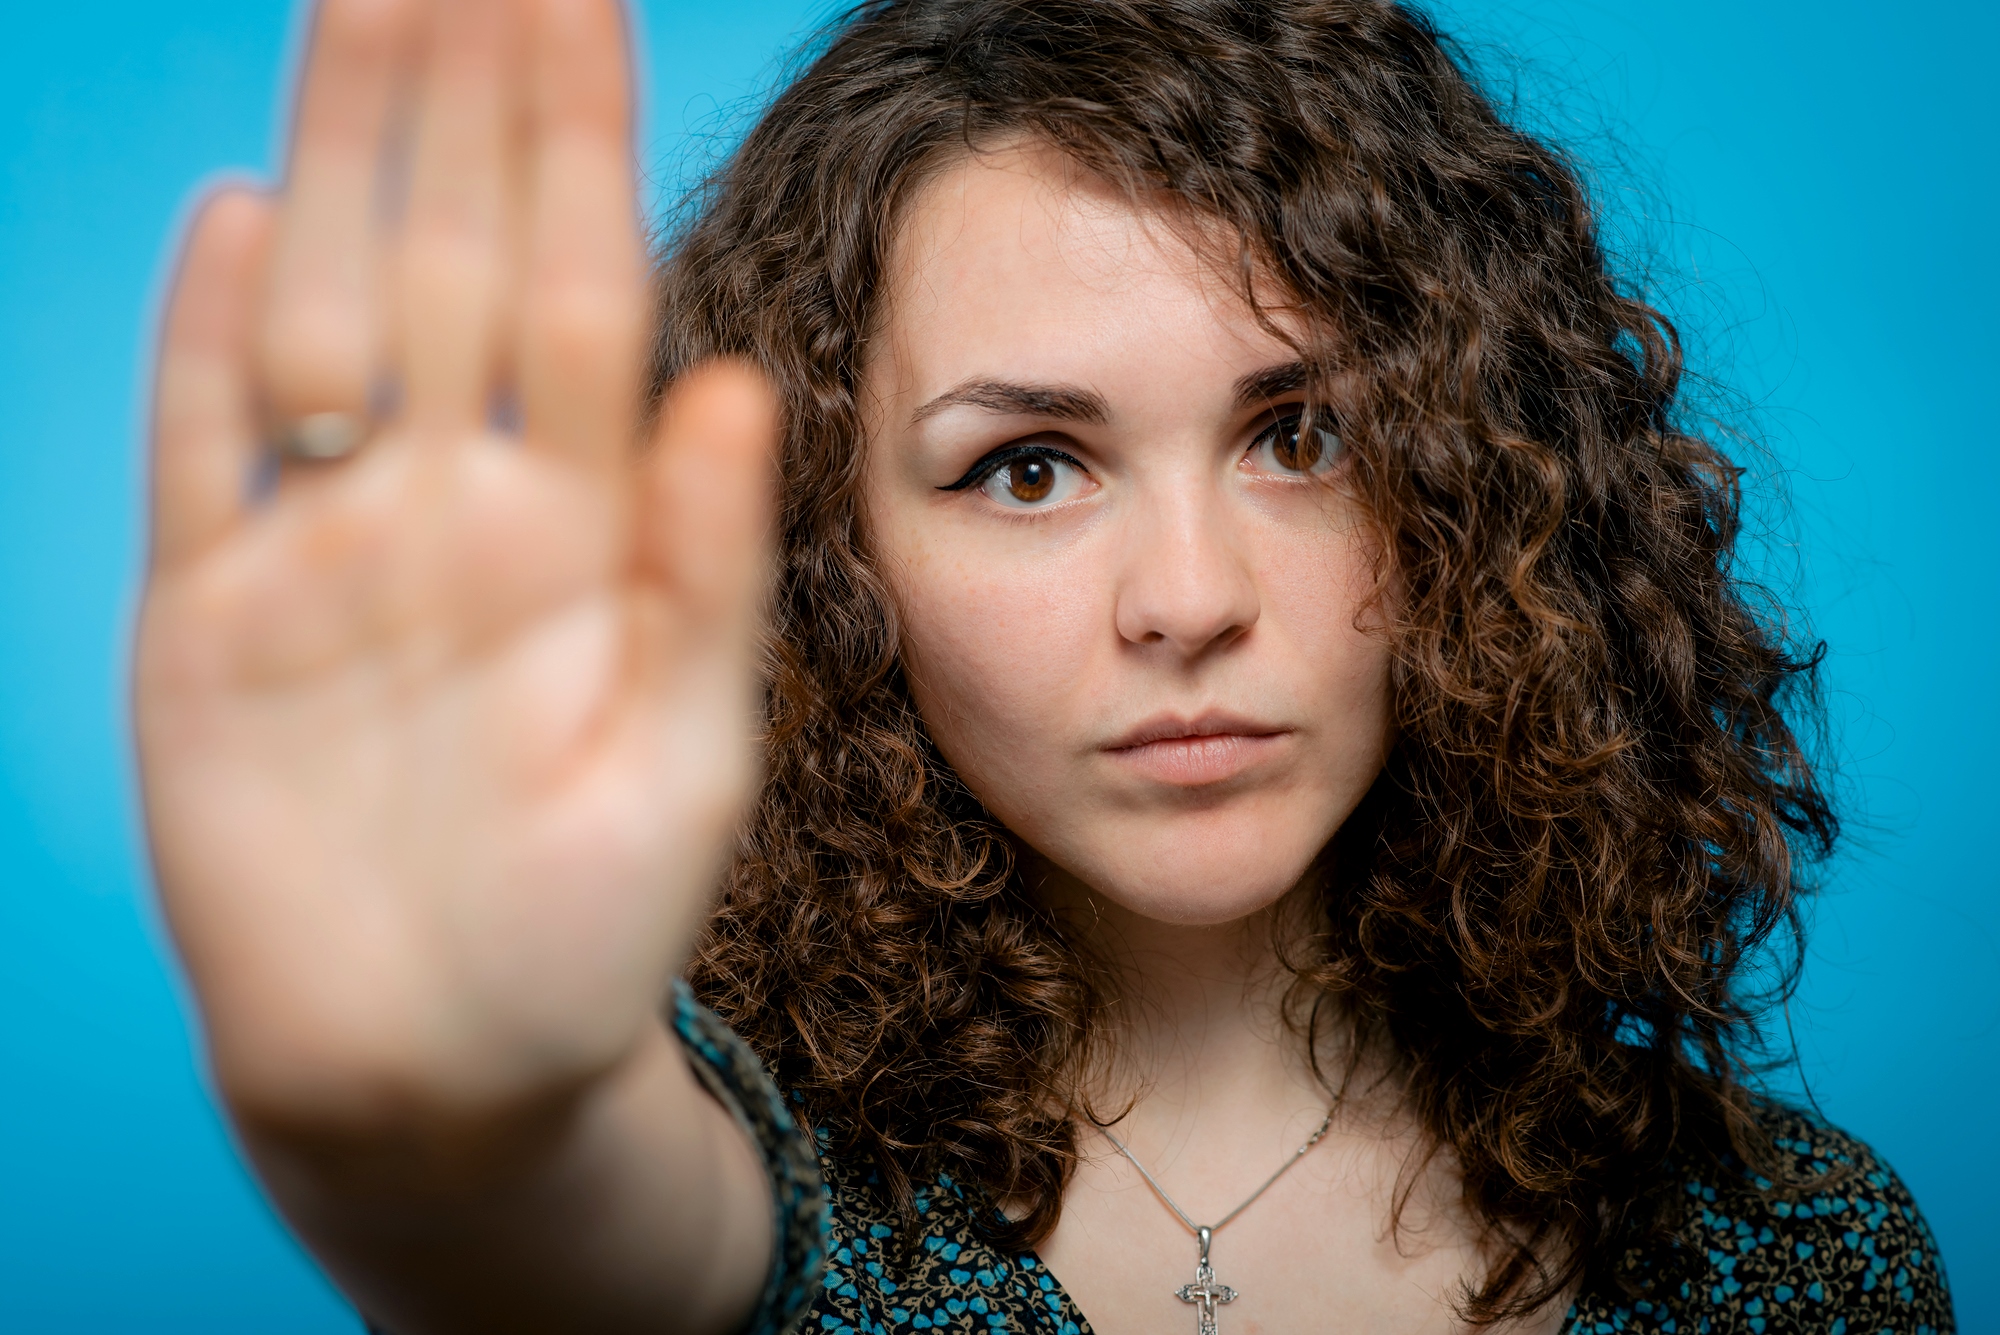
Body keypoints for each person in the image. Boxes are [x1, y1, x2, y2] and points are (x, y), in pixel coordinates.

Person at [135, 0, 1955, 1331]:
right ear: (834, 558)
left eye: (1302, 437)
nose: (1188, 598)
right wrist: (475, 1153)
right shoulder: (773, 1199)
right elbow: (625, 1241)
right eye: (1027, 468)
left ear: (1481, 475)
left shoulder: (1797, 1257)